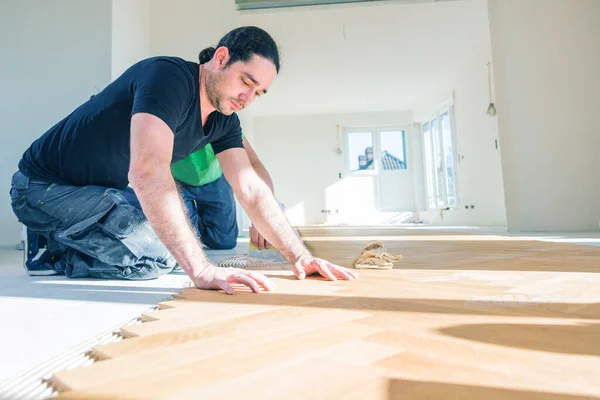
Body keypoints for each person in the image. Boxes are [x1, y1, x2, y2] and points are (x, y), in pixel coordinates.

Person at [10, 26, 358, 294]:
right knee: (160, 257)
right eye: (246, 82)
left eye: (259, 92)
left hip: (99, 192)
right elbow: (147, 171)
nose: (249, 97)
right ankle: (52, 248)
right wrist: (203, 270)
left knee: (175, 239)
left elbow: (251, 188)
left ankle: (62, 237)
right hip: (42, 188)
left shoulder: (224, 120)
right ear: (221, 58)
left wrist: (299, 256)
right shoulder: (169, 78)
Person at [171, 136, 276, 251]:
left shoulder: (225, 122)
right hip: (176, 180)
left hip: (215, 178)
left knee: (224, 242)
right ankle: (188, 227)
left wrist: (264, 213)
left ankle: (191, 225)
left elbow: (253, 163)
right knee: (183, 243)